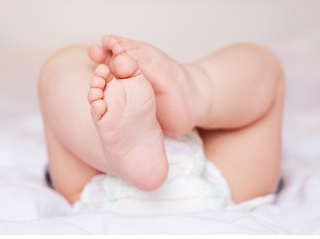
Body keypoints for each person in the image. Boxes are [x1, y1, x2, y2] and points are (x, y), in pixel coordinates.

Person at [38, 35, 284, 205]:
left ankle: (107, 154)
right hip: (222, 186)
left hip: (99, 188)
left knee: (61, 64)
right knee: (265, 66)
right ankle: (197, 87)